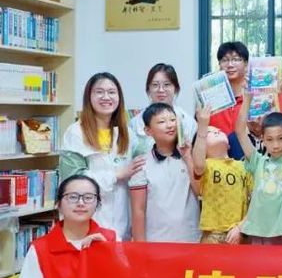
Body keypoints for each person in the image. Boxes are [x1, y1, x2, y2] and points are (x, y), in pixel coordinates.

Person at [59, 72, 141, 240]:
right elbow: (72, 180)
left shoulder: (127, 134)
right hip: (88, 220)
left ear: (119, 97)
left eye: (112, 92)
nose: (106, 97)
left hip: (121, 221)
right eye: (99, 92)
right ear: (89, 97)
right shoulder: (75, 132)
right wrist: (116, 175)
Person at [234, 88, 282, 245]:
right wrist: (247, 99)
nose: (275, 145)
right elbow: (240, 131)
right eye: (269, 139)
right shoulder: (258, 161)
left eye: (281, 138)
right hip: (256, 231)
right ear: (263, 139)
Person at [128, 103, 200, 243]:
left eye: (173, 120)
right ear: (148, 131)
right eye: (162, 122)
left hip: (192, 239)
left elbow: (200, 192)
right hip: (156, 241)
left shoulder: (190, 157)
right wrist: (140, 247)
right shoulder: (141, 164)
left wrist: (187, 157)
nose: (170, 125)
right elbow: (138, 210)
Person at [191, 106, 251, 244]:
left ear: (229, 145)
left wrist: (241, 226)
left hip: (240, 233)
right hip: (213, 234)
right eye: (210, 132)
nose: (216, 131)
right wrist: (202, 127)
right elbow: (198, 164)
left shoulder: (244, 166)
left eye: (218, 130)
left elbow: (255, 199)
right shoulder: (206, 166)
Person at [129, 63, 197, 151]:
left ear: (175, 88)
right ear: (148, 89)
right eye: (155, 85)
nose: (161, 90)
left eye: (167, 84)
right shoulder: (135, 123)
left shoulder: (188, 122)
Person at [209, 41, 250, 135]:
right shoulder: (211, 100)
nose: (230, 65)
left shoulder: (255, 98)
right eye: (225, 60)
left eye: (236, 59)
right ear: (219, 65)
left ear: (246, 64)